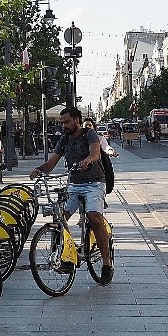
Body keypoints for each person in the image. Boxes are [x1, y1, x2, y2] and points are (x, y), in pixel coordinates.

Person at [29, 107, 114, 286]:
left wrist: (88, 161)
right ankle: (66, 255)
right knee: (61, 218)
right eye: (62, 123)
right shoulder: (64, 139)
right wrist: (39, 170)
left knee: (94, 217)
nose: (64, 126)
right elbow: (52, 163)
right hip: (74, 185)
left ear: (76, 120)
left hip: (94, 183)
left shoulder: (88, 134)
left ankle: (107, 264)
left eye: (67, 122)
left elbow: (95, 153)